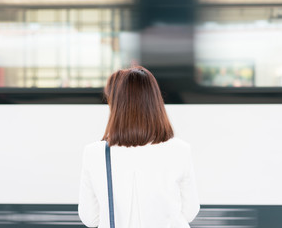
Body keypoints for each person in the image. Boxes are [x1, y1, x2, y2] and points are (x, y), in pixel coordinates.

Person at [78, 66, 200, 228]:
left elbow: (90, 218)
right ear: (155, 102)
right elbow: (189, 211)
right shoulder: (180, 150)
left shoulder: (95, 153)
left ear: (116, 105)